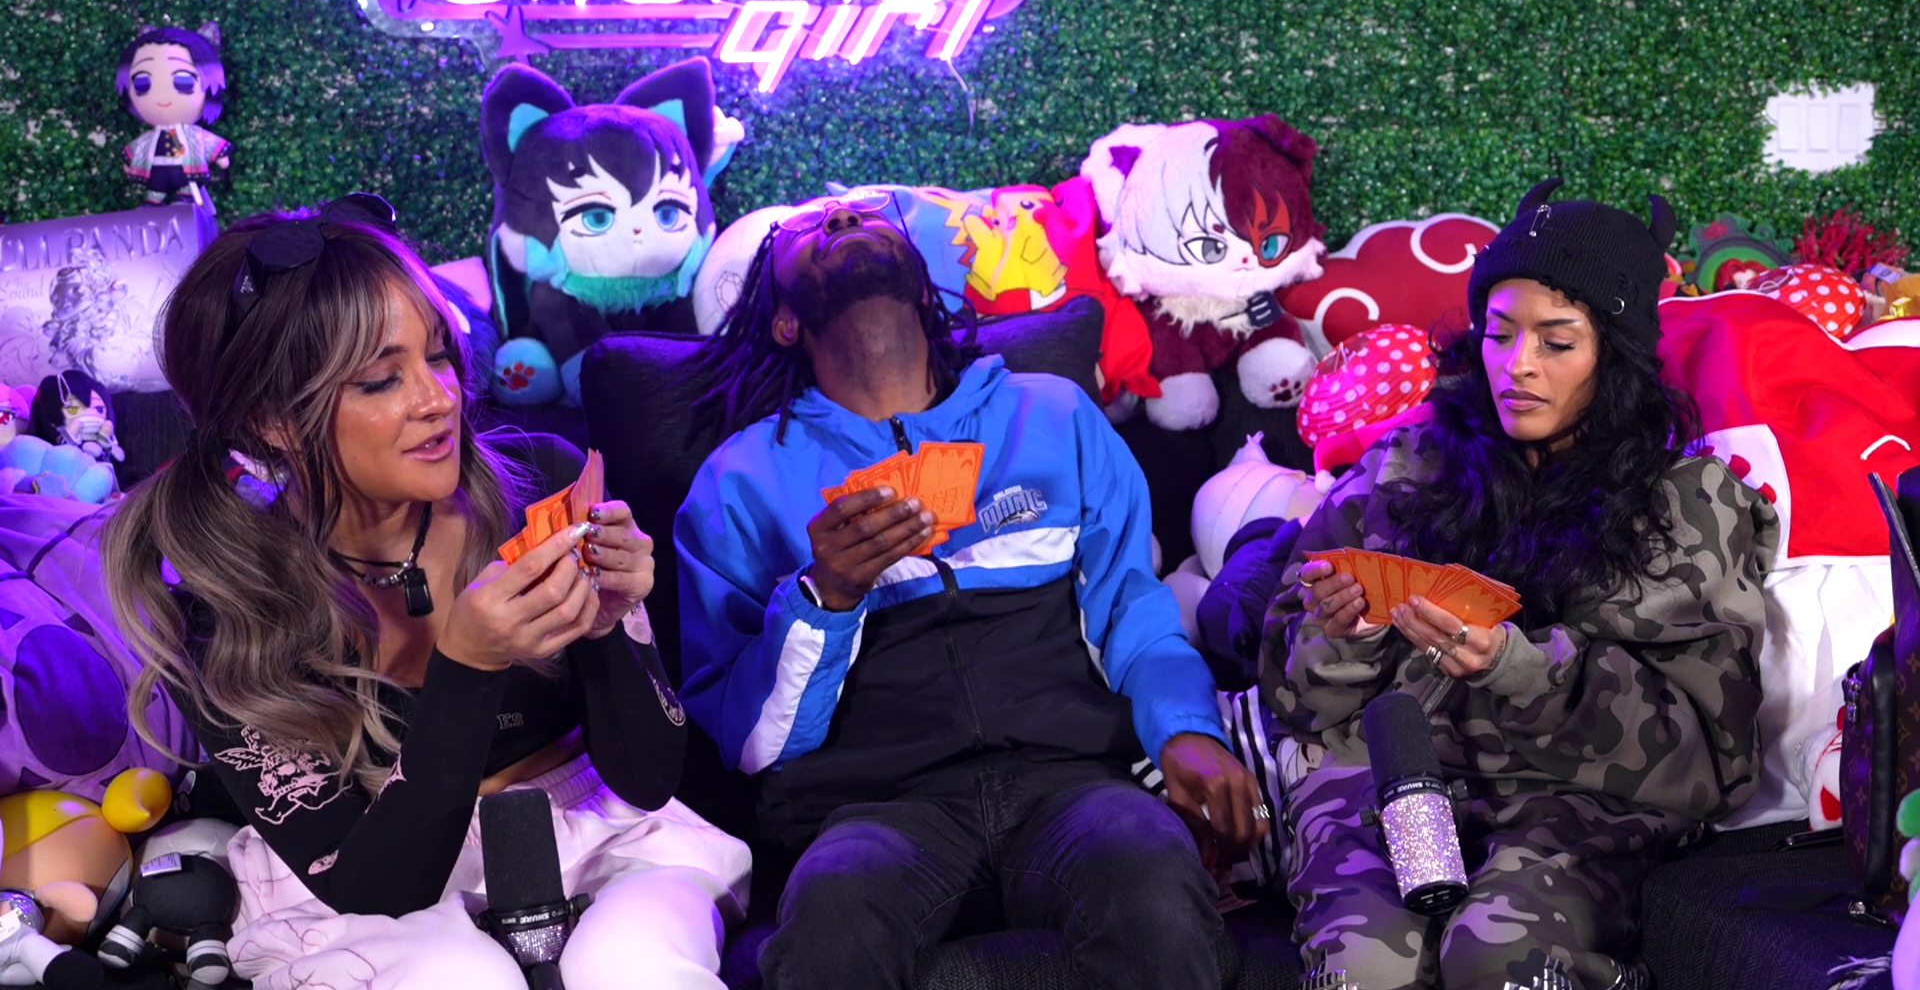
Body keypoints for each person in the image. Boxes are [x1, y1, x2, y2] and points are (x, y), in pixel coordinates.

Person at [103, 196, 750, 990]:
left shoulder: (537, 483)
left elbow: (648, 779)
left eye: (439, 357)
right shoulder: (224, 611)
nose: (439, 400)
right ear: (272, 421)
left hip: (601, 835)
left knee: (634, 968)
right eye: (382, 380)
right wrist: (468, 668)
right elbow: (376, 889)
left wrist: (612, 624)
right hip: (384, 877)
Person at [675, 192, 1270, 990]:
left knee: (1153, 877)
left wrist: (1187, 730)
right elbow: (744, 740)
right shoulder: (739, 481)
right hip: (875, 811)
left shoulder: (1052, 414)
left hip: (1072, 782)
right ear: (784, 321)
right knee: (831, 918)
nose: (843, 219)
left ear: (925, 289)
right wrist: (826, 595)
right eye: (810, 227)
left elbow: (1136, 615)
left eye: (867, 216)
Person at [1262, 179, 1775, 990]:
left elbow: (1714, 762)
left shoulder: (1684, 504)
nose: (1518, 366)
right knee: (1366, 969)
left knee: (1496, 960)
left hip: (1573, 803)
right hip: (1388, 782)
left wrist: (1519, 668)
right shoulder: (1402, 471)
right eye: (1498, 335)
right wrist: (1348, 640)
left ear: (1616, 354)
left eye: (1557, 342)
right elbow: (1292, 700)